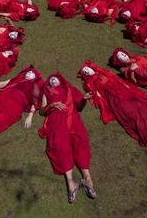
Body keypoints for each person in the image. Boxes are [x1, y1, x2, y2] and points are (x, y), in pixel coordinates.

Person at [78, 61, 147, 159]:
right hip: (117, 100)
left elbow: (118, 80)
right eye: (86, 71)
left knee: (146, 113)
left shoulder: (102, 71)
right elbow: (98, 96)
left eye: (89, 69)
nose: (89, 71)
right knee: (136, 120)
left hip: (126, 93)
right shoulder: (90, 83)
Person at [37, 73, 97, 203]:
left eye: (55, 78)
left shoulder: (69, 89)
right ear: (48, 83)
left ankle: (87, 178)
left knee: (81, 142)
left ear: (61, 80)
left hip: (72, 119)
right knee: (60, 146)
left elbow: (79, 107)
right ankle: (70, 182)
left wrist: (84, 99)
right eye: (50, 79)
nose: (53, 80)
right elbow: (41, 111)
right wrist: (51, 106)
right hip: (56, 120)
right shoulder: (47, 91)